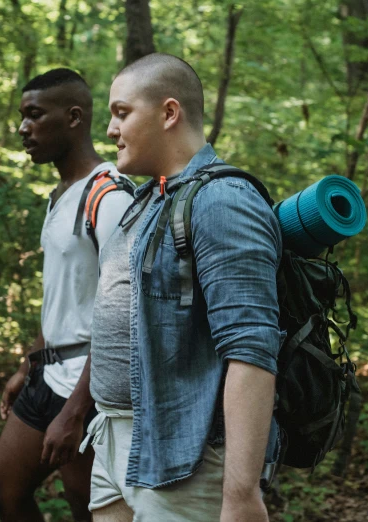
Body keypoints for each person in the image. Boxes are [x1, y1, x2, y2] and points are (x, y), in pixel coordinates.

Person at [84, 52, 282, 522]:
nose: (111, 130)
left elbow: (251, 351)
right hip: (114, 438)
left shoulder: (221, 201)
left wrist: (240, 494)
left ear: (169, 113)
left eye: (121, 112)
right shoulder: (152, 196)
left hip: (182, 453)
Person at [0, 68, 134, 522]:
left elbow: (126, 314)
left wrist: (75, 412)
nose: (22, 128)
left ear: (73, 117)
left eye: (34, 115)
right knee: (3, 490)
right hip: (48, 376)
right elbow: (64, 295)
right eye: (21, 116)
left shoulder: (110, 197)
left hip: (88, 388)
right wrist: (29, 362)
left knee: (86, 509)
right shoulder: (59, 194)